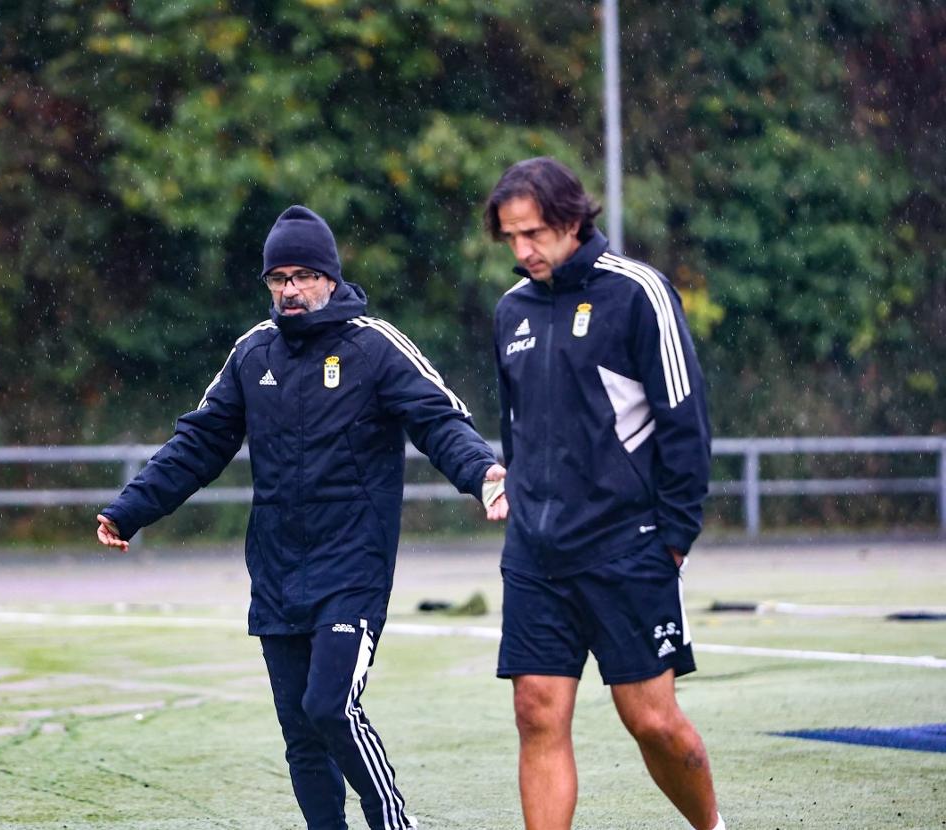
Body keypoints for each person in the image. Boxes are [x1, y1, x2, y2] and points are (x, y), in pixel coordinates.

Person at [95, 205, 506, 830]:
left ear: (331, 279)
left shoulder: (375, 346)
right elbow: (199, 442)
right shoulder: (251, 354)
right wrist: (131, 510)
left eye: (303, 276)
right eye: (278, 278)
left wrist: (482, 474)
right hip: (277, 570)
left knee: (330, 707)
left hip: (353, 568)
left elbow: (438, 420)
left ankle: (392, 821)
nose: (289, 289)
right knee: (300, 732)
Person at [482, 157, 723, 830]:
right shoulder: (511, 312)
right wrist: (519, 490)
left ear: (570, 220)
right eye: (510, 238)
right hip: (535, 556)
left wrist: (672, 542)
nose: (522, 250)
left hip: (627, 550)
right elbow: (518, 425)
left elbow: (686, 424)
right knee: (536, 710)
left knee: (650, 720)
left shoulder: (638, 293)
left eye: (532, 233)